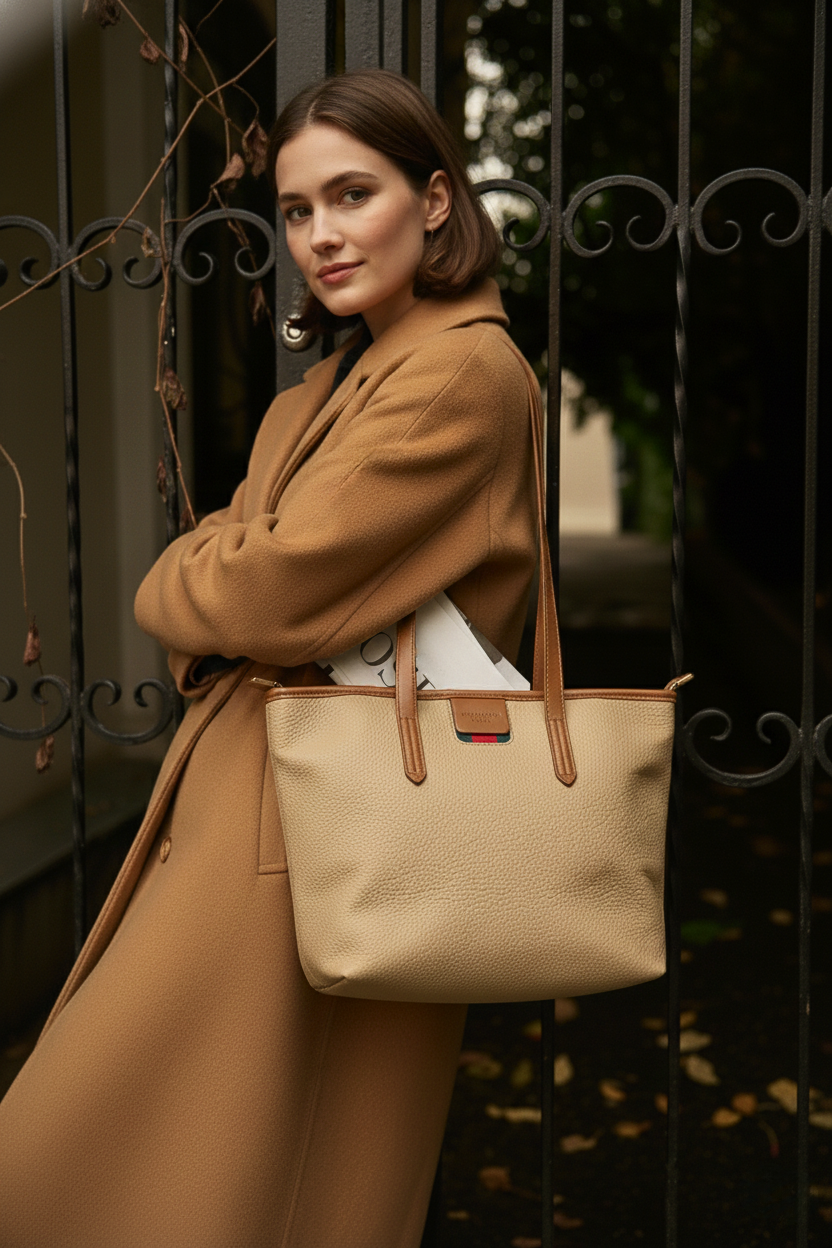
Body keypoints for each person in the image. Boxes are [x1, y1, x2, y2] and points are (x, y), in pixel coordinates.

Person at [0, 69, 538, 1247]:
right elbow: (248, 582)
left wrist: (197, 577)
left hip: (334, 834)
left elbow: (256, 588)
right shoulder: (325, 389)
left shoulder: (460, 372)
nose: (321, 235)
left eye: (353, 194)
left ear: (434, 200)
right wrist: (225, 583)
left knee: (200, 1168)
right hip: (270, 814)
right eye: (297, 209)